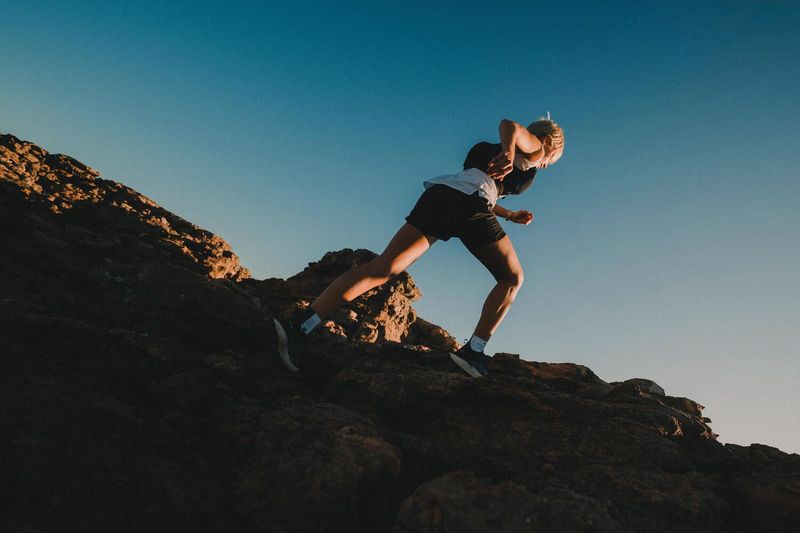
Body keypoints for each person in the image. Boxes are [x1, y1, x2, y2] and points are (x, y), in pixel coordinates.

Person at [273, 113, 565, 377]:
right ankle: (473, 351)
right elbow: (510, 126)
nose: (545, 164)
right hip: (468, 203)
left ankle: (302, 325)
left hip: (443, 196)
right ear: (548, 145)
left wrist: (510, 214)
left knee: (382, 268)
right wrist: (510, 150)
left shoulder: (485, 150)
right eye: (550, 160)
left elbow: (479, 184)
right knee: (512, 278)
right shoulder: (534, 147)